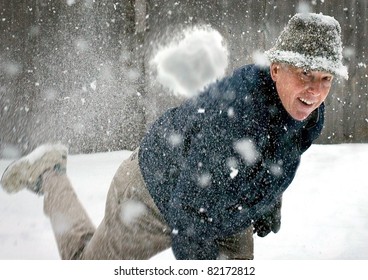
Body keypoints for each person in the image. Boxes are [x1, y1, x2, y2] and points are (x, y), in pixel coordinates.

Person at [1, 12, 348, 260]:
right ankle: (50, 173)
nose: (314, 90)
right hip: (152, 192)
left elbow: (278, 153)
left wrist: (270, 198)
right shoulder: (233, 118)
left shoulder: (307, 114)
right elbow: (188, 212)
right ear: (276, 69)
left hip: (221, 203)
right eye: (304, 73)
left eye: (325, 79)